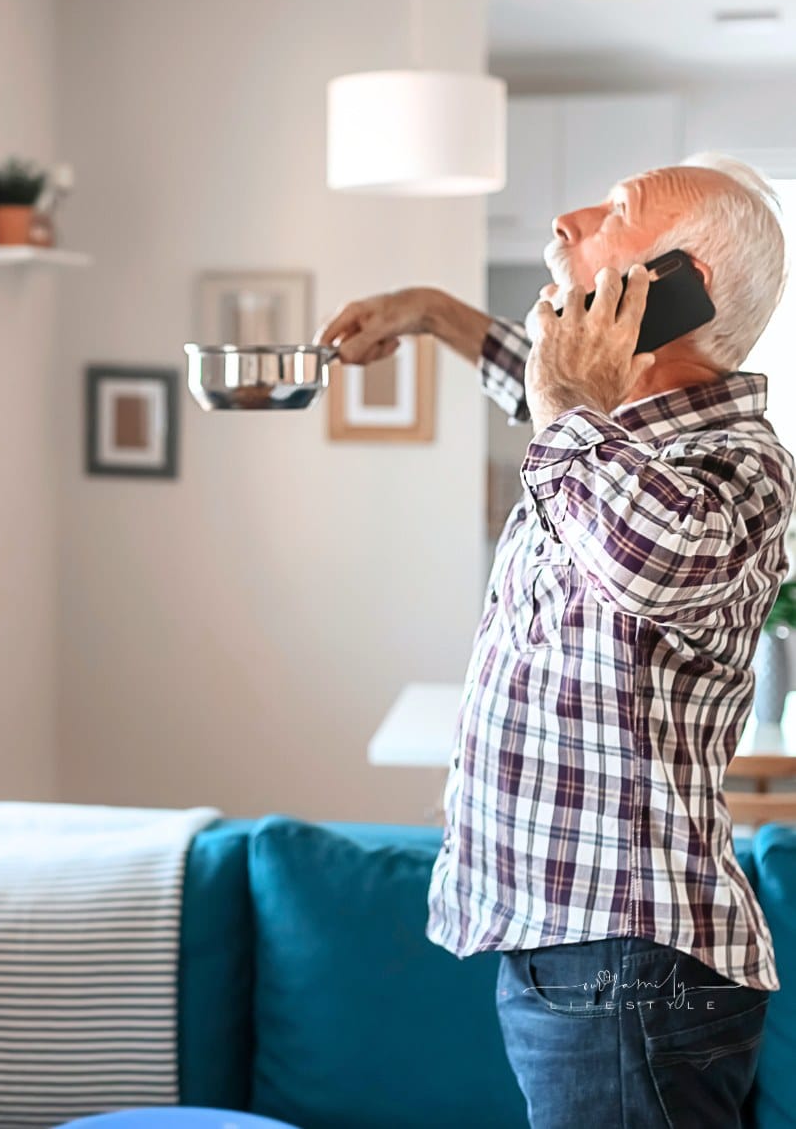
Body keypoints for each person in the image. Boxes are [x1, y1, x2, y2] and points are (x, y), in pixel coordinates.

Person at [314, 154, 795, 1128]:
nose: (565, 221)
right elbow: (559, 410)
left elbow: (648, 553)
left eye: (615, 211)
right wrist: (432, 313)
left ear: (678, 287)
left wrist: (567, 402)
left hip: (629, 964)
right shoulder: (609, 442)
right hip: (583, 954)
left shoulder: (739, 463)